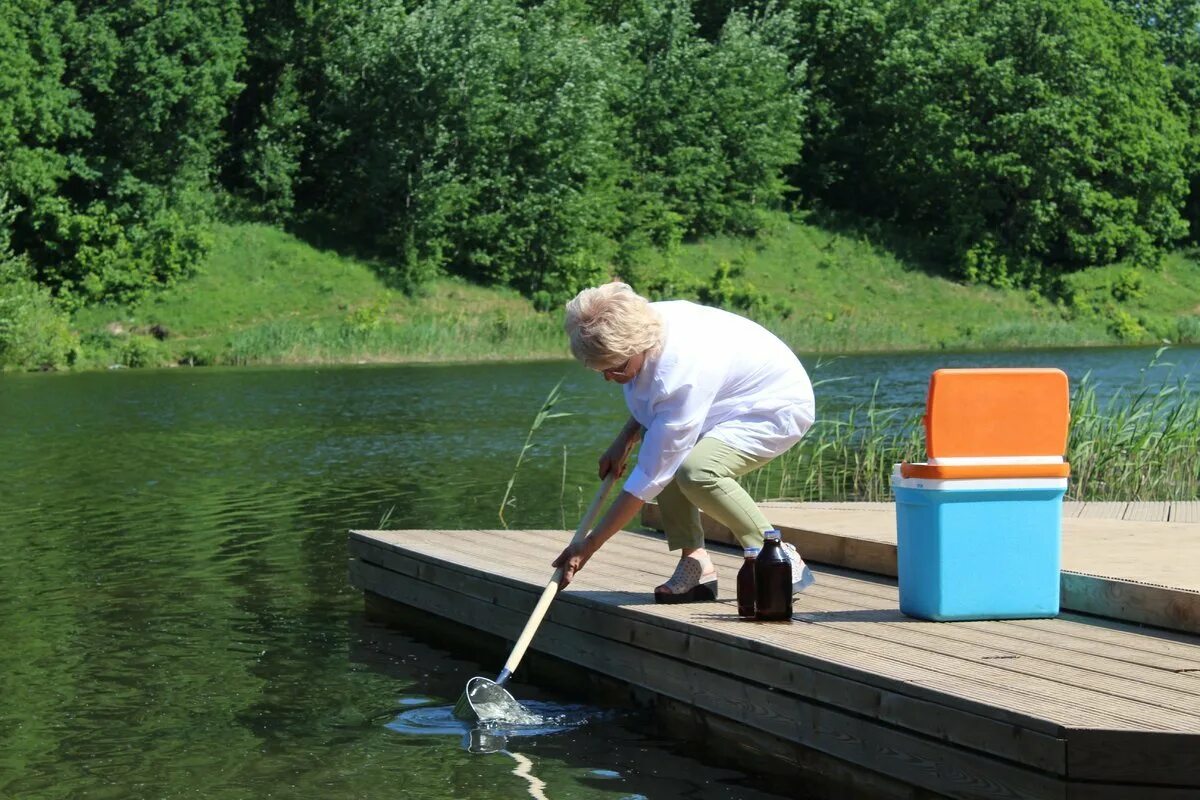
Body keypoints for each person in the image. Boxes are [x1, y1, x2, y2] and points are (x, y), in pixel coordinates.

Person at [553, 282, 817, 603]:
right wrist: (625, 438)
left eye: (615, 368)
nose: (609, 378)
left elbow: (649, 476)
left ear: (638, 345)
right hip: (724, 399)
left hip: (775, 405)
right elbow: (657, 405)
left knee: (697, 472)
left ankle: (775, 553)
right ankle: (696, 564)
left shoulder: (680, 369)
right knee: (660, 443)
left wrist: (589, 547)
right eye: (600, 370)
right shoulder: (640, 321)